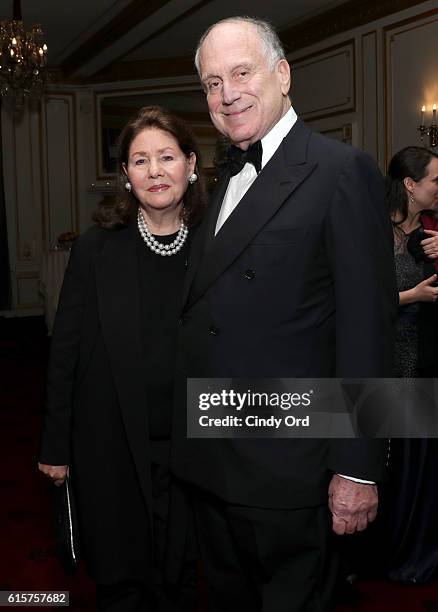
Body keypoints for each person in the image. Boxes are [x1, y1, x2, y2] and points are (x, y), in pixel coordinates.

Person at [171, 16, 398, 612]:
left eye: (241, 73)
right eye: (212, 83)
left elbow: (368, 331)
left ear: (282, 73)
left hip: (291, 468)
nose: (227, 95)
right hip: (213, 457)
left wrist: (359, 468)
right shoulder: (222, 181)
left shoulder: (341, 170)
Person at [38, 105, 206, 611]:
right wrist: (54, 443)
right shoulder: (96, 249)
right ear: (126, 176)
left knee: (185, 575)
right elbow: (64, 346)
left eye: (167, 157)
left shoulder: (217, 244)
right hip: (110, 440)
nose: (155, 171)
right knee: (121, 577)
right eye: (140, 160)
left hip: (193, 441)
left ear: (191, 165)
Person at [383, 146, 438, 583]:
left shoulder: (432, 232)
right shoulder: (375, 230)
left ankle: (418, 553)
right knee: (392, 467)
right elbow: (355, 301)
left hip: (425, 362)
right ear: (410, 185)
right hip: (387, 364)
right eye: (435, 179)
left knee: (421, 468)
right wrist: (411, 297)